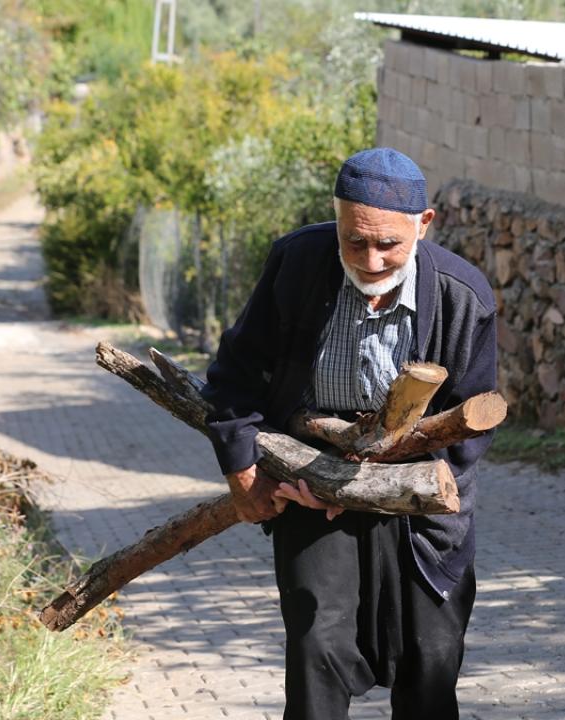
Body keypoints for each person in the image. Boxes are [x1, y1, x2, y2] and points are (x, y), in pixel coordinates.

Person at [199, 147, 498, 720]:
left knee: (431, 661)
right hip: (308, 483)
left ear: (424, 224)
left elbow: (468, 427)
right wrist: (244, 468)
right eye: (354, 240)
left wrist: (373, 481)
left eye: (389, 243)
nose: (372, 258)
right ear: (335, 218)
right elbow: (235, 377)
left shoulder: (464, 296)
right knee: (317, 647)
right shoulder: (298, 264)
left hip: (418, 498)